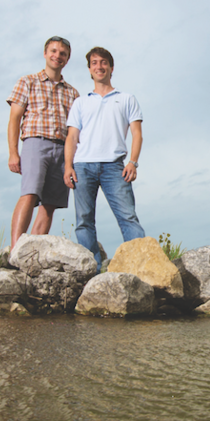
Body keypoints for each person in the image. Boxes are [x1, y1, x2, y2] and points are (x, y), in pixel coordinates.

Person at [63, 46, 144, 269]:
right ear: (90, 69)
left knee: (128, 217)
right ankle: (93, 270)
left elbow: (137, 134)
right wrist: (68, 166)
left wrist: (133, 162)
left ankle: (140, 265)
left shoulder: (127, 98)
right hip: (82, 166)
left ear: (111, 67)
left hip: (114, 167)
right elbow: (71, 138)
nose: (99, 66)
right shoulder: (80, 102)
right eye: (95, 63)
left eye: (103, 62)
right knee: (84, 221)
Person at [7, 36, 79, 249]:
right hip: (35, 143)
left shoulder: (73, 93)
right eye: (54, 51)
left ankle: (31, 252)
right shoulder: (27, 81)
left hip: (63, 149)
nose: (58, 56)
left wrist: (71, 161)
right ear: (46, 53)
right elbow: (14, 119)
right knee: (29, 193)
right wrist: (13, 152)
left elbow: (75, 130)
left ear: (67, 59)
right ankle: (15, 249)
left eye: (63, 53)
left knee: (50, 204)